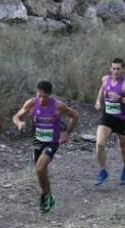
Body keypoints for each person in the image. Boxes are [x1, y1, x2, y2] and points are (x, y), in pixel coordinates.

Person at [12, 81, 79, 213]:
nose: (42, 99)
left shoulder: (58, 106)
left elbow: (75, 115)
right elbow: (16, 116)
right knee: (40, 172)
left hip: (52, 142)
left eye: (45, 96)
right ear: (36, 94)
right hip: (38, 141)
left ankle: (45, 197)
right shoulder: (31, 103)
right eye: (39, 96)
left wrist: (66, 133)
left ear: (50, 95)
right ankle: (47, 196)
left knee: (40, 167)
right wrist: (19, 123)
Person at [94, 59, 125, 186]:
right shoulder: (105, 79)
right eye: (113, 68)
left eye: (118, 69)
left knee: (123, 147)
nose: (116, 71)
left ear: (123, 70)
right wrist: (98, 101)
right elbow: (102, 89)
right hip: (107, 117)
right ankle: (103, 171)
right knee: (99, 144)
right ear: (110, 69)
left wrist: (120, 98)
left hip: (122, 119)